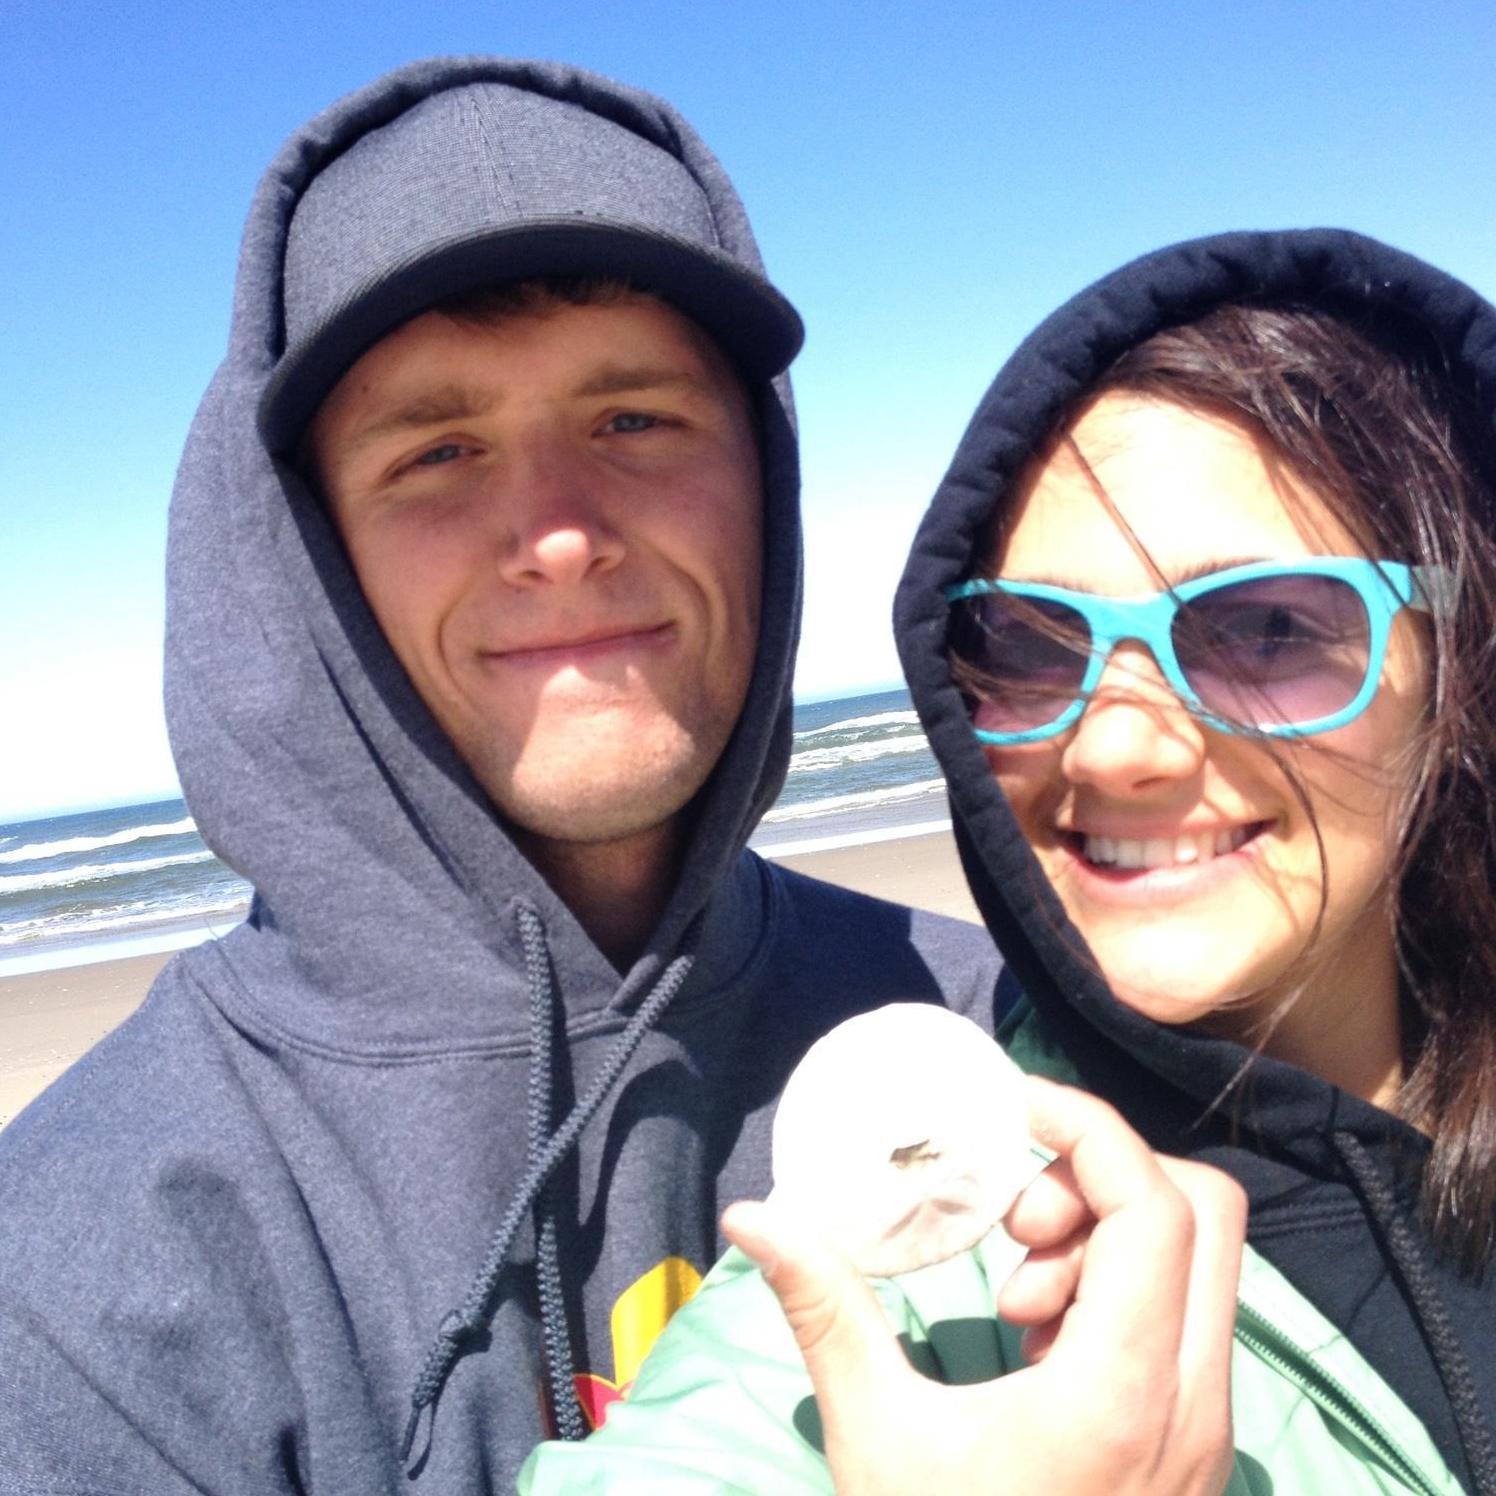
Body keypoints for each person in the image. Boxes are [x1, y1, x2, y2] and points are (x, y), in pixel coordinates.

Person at [0, 58, 1013, 1492]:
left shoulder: (990, 1031)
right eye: (438, 450)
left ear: (766, 480)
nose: (557, 535)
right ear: (308, 557)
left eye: (636, 420)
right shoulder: (85, 1291)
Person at [517, 228, 1496, 1494]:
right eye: (1030, 642)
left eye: (1262, 626)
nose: (1119, 745)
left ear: (1455, 670)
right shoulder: (911, 1258)